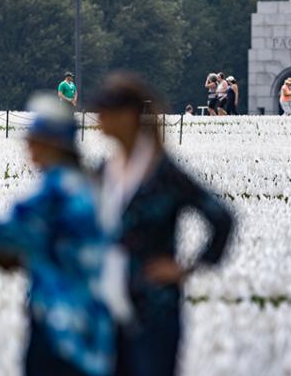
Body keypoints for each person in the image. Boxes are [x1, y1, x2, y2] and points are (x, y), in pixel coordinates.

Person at [92, 71, 234, 376]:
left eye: (106, 110)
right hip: (108, 304)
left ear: (129, 116)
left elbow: (221, 218)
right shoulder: (104, 169)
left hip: (154, 307)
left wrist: (188, 267)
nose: (97, 117)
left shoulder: (163, 172)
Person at [0, 94, 113, 376]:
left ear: (48, 143)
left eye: (32, 139)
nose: (27, 146)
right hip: (97, 323)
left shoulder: (49, 192)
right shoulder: (94, 186)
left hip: (55, 325)